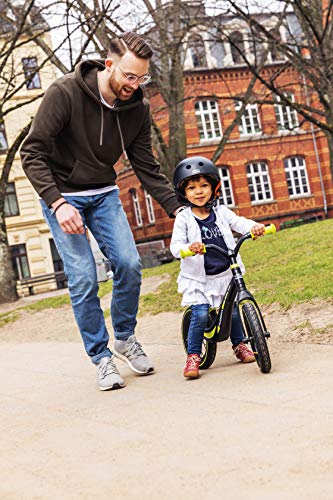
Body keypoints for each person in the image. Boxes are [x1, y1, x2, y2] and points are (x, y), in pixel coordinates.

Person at [20, 32, 181, 391]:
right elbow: (31, 153)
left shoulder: (137, 108)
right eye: (128, 76)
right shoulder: (65, 94)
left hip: (104, 192)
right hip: (63, 196)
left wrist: (178, 209)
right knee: (82, 278)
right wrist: (57, 202)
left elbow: (145, 165)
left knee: (129, 264)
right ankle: (101, 358)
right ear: (109, 64)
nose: (134, 85)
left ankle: (124, 337)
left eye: (141, 77)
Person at [170, 156, 265, 379]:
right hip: (199, 279)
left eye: (204, 185)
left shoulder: (221, 212)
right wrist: (188, 248)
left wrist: (255, 227)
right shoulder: (183, 218)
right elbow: (175, 246)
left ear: (214, 188)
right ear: (184, 193)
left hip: (226, 272)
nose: (199, 191)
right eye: (192, 187)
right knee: (201, 314)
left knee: (232, 311)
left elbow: (239, 223)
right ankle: (193, 355)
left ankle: (240, 344)